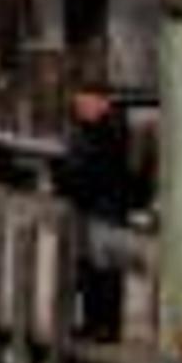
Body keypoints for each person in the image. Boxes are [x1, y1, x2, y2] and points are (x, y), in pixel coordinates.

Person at [59, 85, 146, 339]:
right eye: (78, 105)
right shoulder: (84, 129)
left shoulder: (111, 132)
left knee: (106, 270)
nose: (80, 109)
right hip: (87, 207)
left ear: (102, 103)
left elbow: (102, 171)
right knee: (86, 270)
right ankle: (90, 322)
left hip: (106, 208)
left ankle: (107, 327)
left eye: (86, 103)